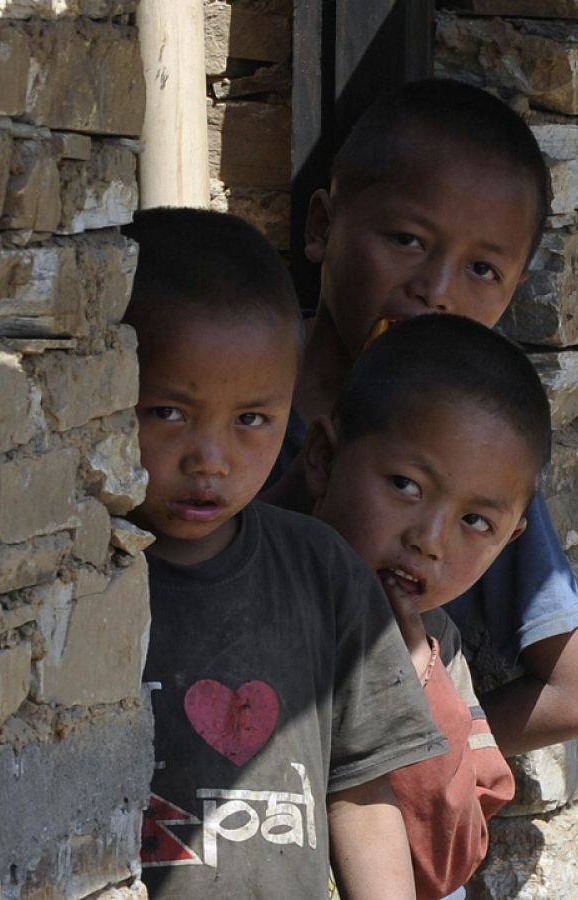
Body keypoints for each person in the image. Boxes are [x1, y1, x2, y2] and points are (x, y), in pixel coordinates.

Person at [266, 78, 578, 755]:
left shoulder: (473, 462)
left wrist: (423, 752)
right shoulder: (240, 394)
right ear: (322, 228)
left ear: (512, 295)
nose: (436, 290)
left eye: (482, 270)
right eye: (406, 239)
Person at [123, 207, 447, 899]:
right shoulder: (77, 581)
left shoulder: (321, 572)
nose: (211, 460)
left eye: (251, 420)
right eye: (168, 413)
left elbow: (359, 787)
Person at [303, 314, 557, 897]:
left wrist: (414, 674)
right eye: (406, 486)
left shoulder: (438, 654)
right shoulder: (262, 596)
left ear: (510, 540)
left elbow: (445, 860)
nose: (430, 539)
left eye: (475, 521)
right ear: (322, 457)